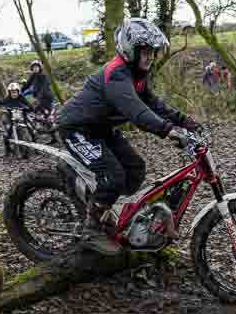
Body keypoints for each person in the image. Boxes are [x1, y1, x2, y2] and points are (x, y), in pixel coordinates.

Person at [57, 17, 198, 256]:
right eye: (146, 52)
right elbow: (137, 111)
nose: (151, 57)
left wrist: (185, 121)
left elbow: (153, 103)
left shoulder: (137, 75)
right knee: (113, 175)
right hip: (77, 129)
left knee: (135, 169)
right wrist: (168, 131)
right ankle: (92, 230)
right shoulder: (116, 75)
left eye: (154, 52)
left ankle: (106, 208)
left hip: (101, 129)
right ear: (130, 49)